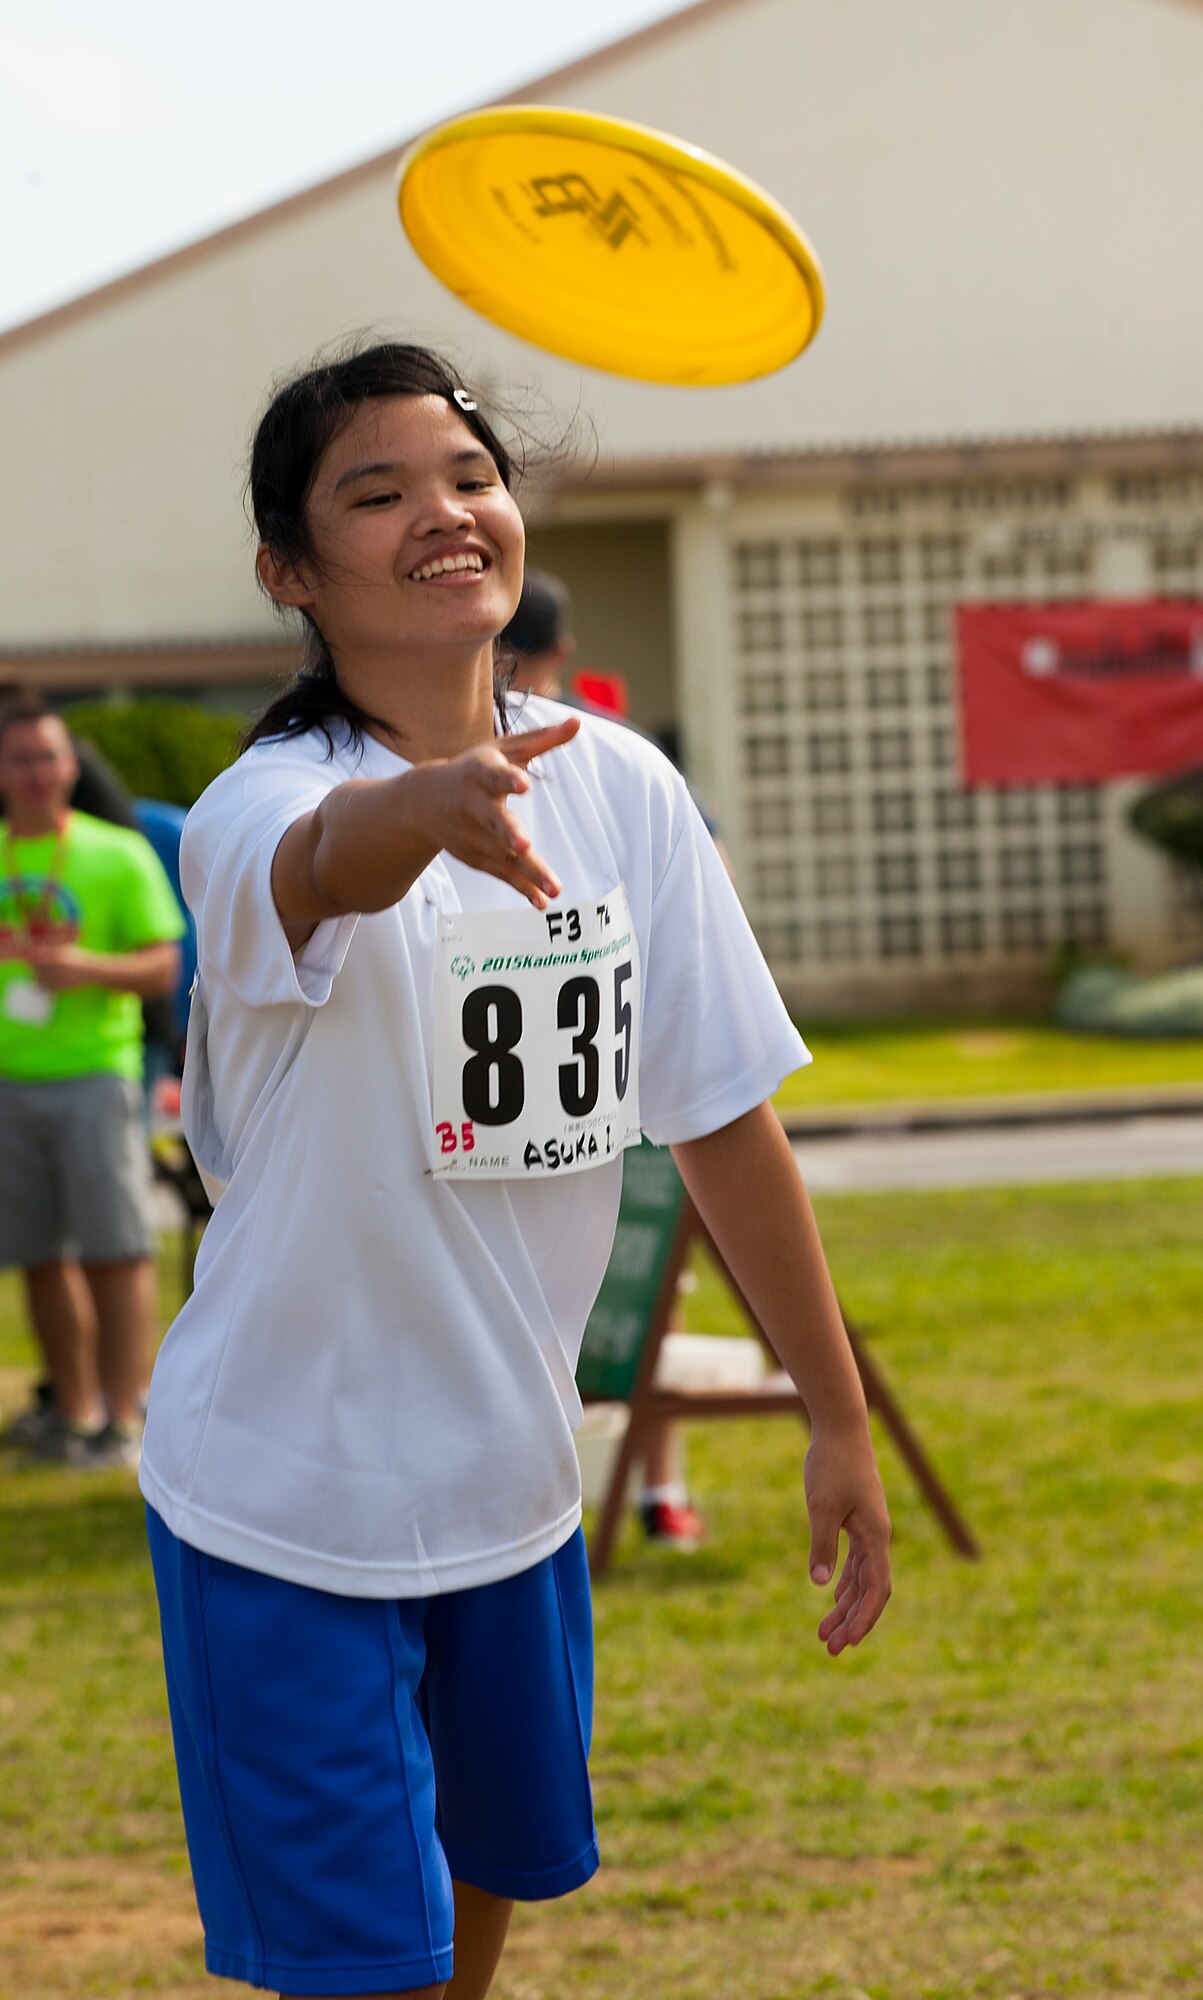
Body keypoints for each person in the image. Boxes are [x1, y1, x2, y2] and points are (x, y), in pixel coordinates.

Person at [139, 341, 891, 2000]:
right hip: (284, 1502)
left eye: (469, 475)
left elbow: (716, 1114)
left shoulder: (619, 785)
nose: (445, 513)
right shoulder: (260, 806)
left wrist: (833, 1416)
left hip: (509, 1492)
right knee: (375, 1975)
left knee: (476, 1930)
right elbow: (324, 864)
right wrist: (430, 809)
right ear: (289, 569)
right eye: (377, 492)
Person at [502, 569, 715, 1549]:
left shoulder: (600, 756)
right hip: (608, 1079)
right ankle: (645, 1488)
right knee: (638, 1295)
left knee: (626, 1297)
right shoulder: (611, 751)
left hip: (569, 1083)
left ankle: (625, 1486)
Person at [0, 697, 185, 1468]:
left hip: (98, 1075)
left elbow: (163, 967)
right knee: (40, 1255)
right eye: (20, 760)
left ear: (72, 765)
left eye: (48, 757)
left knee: (116, 1249)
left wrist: (84, 969)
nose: (37, 774)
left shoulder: (117, 853)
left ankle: (125, 1415)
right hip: (12, 1080)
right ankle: (73, 1414)